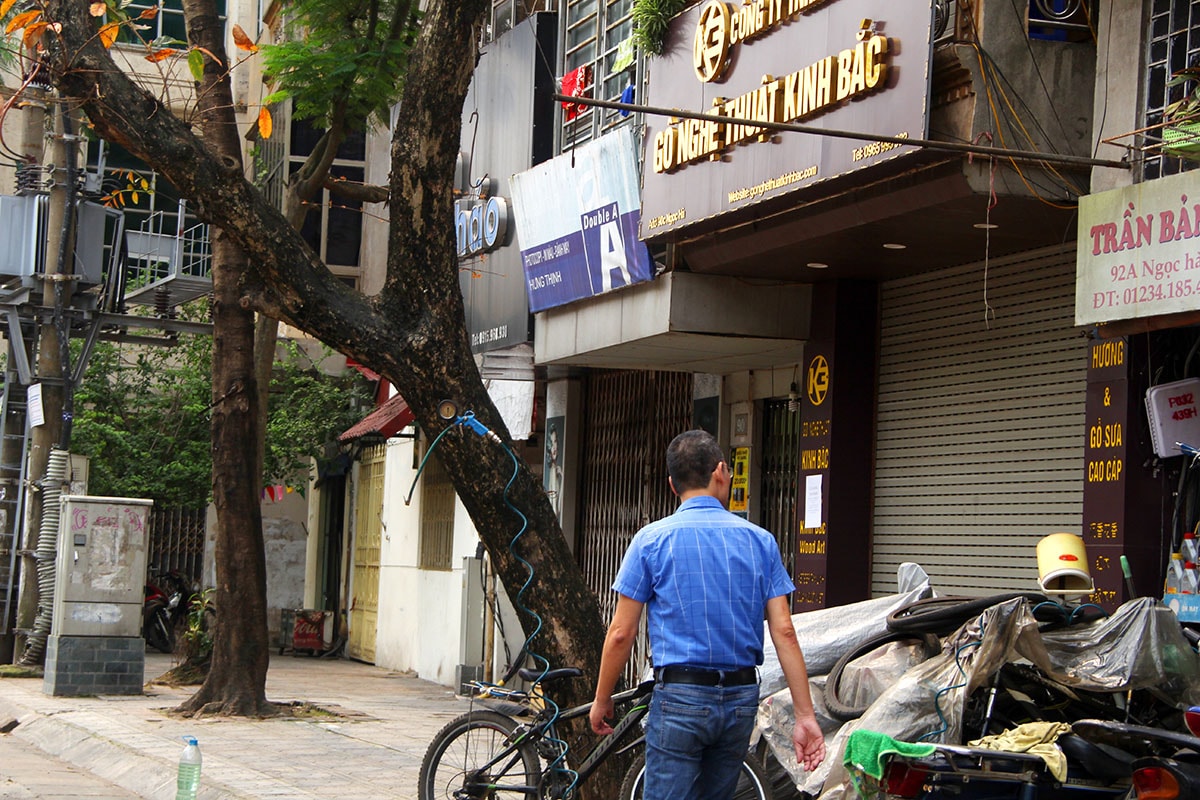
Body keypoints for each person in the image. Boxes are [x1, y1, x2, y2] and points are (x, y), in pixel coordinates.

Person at [589, 429, 825, 800]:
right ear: (720, 472)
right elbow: (785, 632)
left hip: (680, 696)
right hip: (740, 699)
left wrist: (603, 698)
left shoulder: (650, 541)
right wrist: (805, 716)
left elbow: (621, 632)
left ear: (672, 484)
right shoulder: (760, 541)